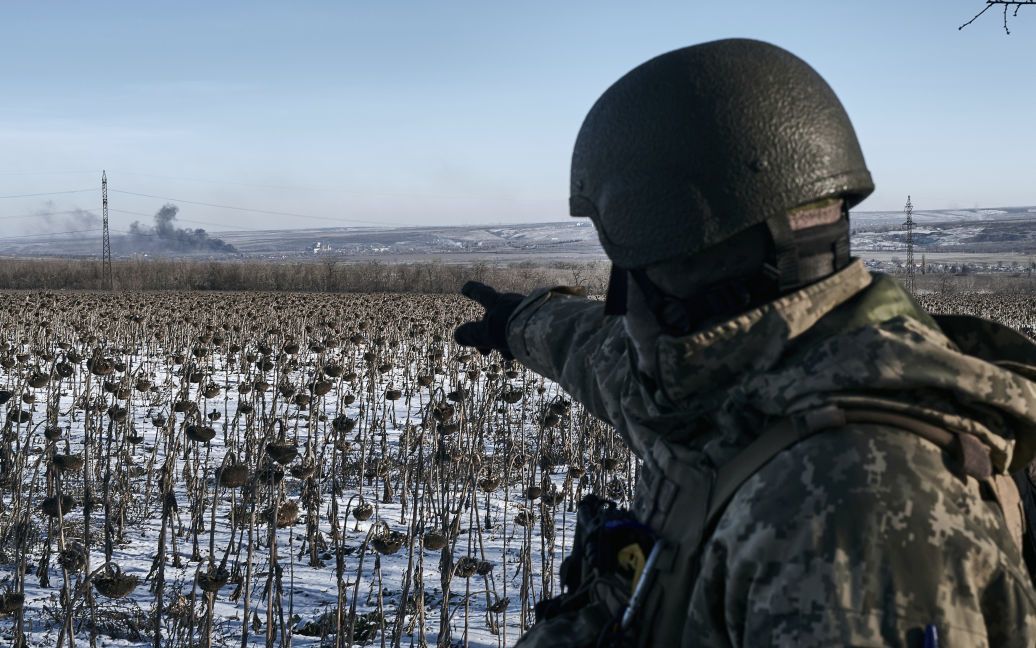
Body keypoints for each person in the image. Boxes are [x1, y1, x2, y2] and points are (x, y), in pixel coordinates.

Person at [454, 38, 1036, 647]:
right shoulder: (736, 385)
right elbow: (603, 358)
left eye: (628, 258)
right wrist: (516, 322)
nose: (623, 300)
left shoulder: (851, 515)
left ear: (681, 249)